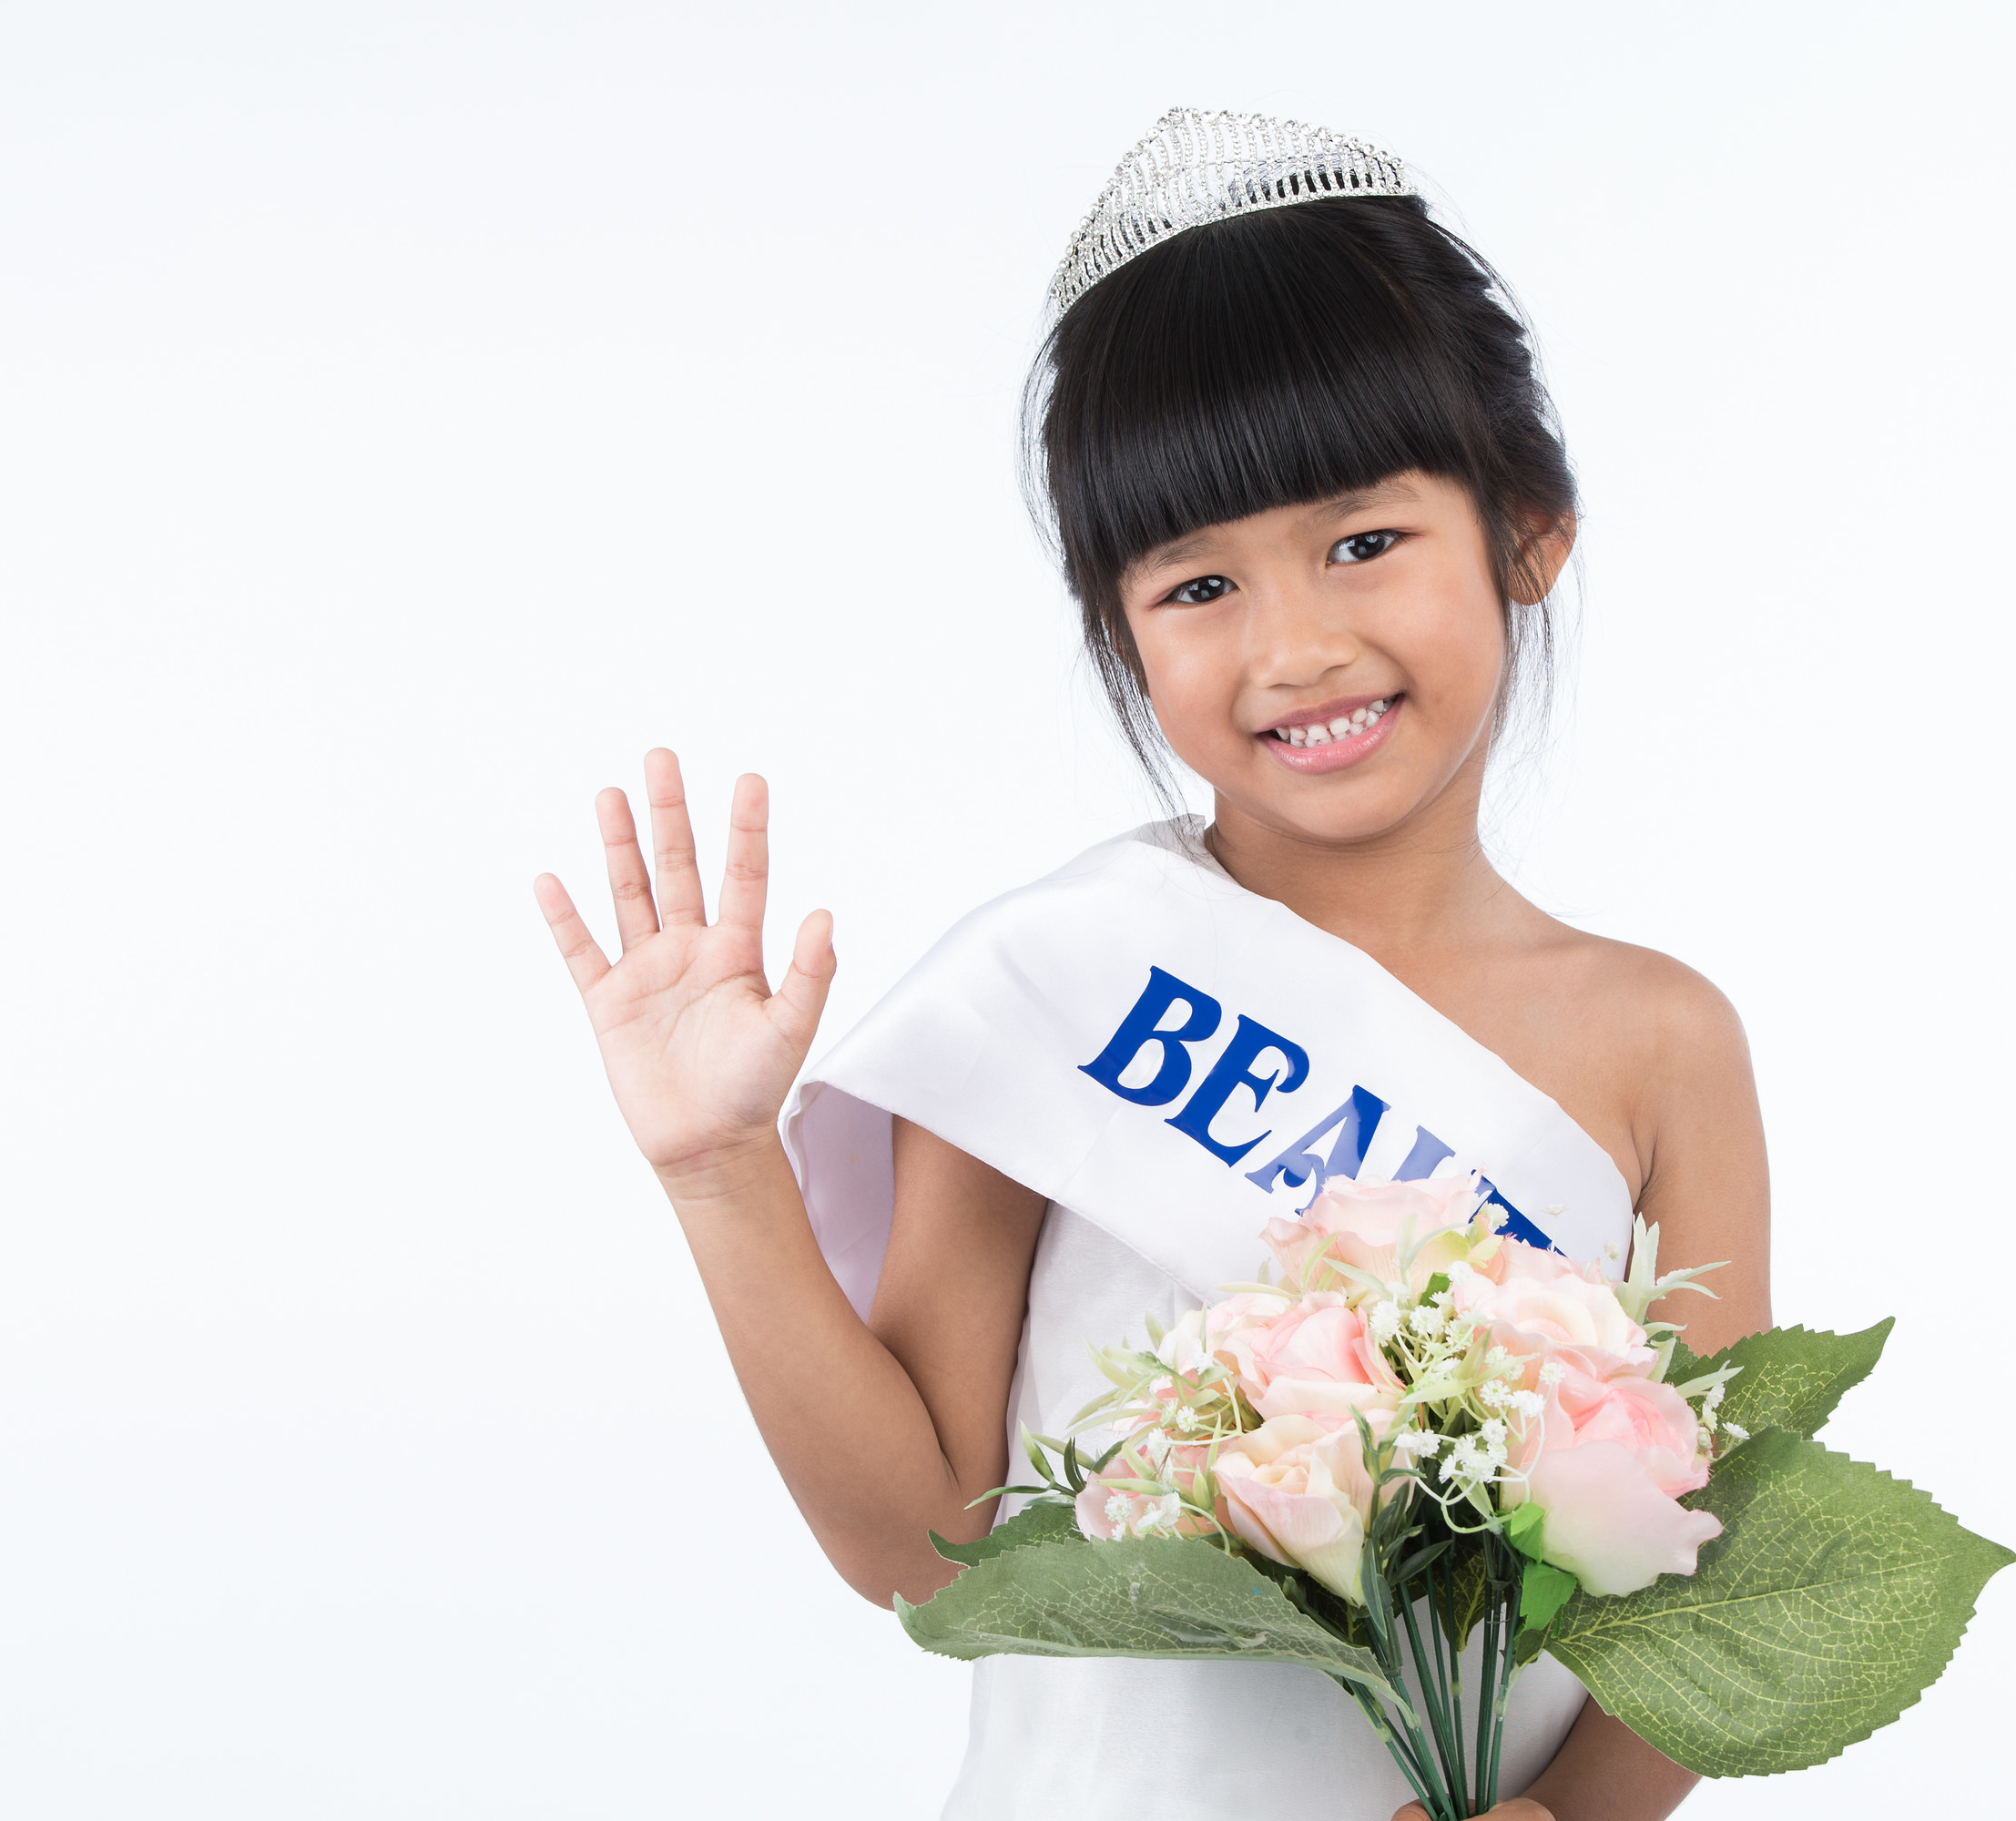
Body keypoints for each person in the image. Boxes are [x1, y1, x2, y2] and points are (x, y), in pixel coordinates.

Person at [534, 110, 1771, 1821]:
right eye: (1198, 583)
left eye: (1363, 542)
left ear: (1529, 535)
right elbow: (929, 1555)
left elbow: (1716, 1578)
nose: (1295, 646)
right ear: (1121, 629)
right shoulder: (1058, 994)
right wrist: (715, 1167)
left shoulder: (1661, 1042)